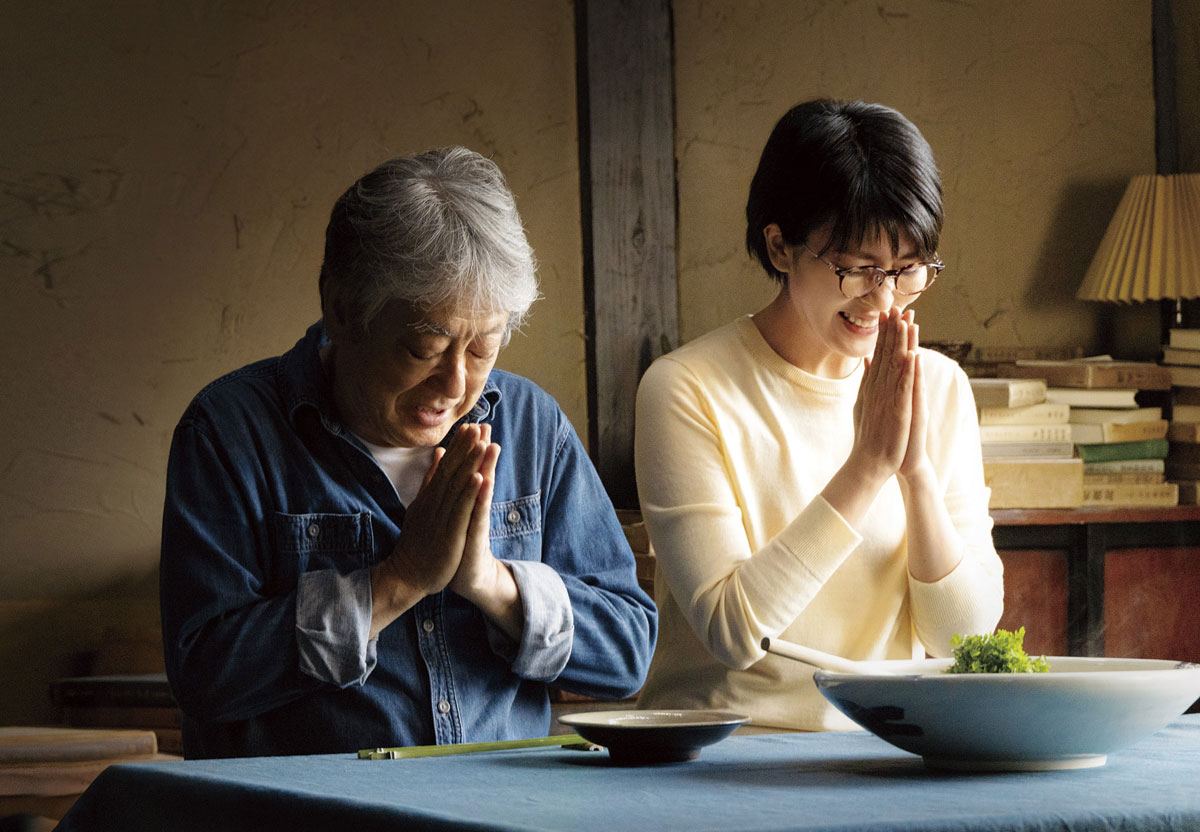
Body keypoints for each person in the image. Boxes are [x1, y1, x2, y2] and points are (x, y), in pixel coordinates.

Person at [160, 147, 657, 758]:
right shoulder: (231, 430)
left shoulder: (530, 425)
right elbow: (205, 674)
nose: (454, 386)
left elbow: (627, 653)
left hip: (507, 810)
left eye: (483, 350)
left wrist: (491, 583)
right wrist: (396, 581)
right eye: (425, 349)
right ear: (341, 310)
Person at [633, 99, 1003, 731]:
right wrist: (868, 465)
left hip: (883, 754)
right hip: (719, 762)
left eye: (908, 270)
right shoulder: (686, 388)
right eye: (856, 270)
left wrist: (914, 474)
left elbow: (962, 642)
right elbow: (734, 631)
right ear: (781, 247)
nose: (883, 301)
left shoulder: (937, 388)